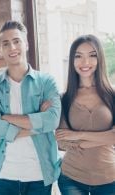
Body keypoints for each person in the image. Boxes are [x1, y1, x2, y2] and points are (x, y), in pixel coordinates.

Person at [0, 20, 61, 195]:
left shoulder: (46, 82)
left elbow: (53, 120)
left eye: (17, 41)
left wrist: (6, 118)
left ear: (26, 44)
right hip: (3, 177)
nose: (12, 47)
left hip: (39, 177)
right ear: (0, 50)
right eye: (6, 43)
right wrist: (38, 124)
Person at [56, 34, 115, 195]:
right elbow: (61, 141)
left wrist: (78, 135)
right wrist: (104, 137)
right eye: (78, 56)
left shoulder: (112, 95)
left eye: (92, 55)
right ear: (72, 61)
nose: (85, 62)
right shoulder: (63, 99)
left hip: (109, 178)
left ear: (100, 59)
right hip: (71, 178)